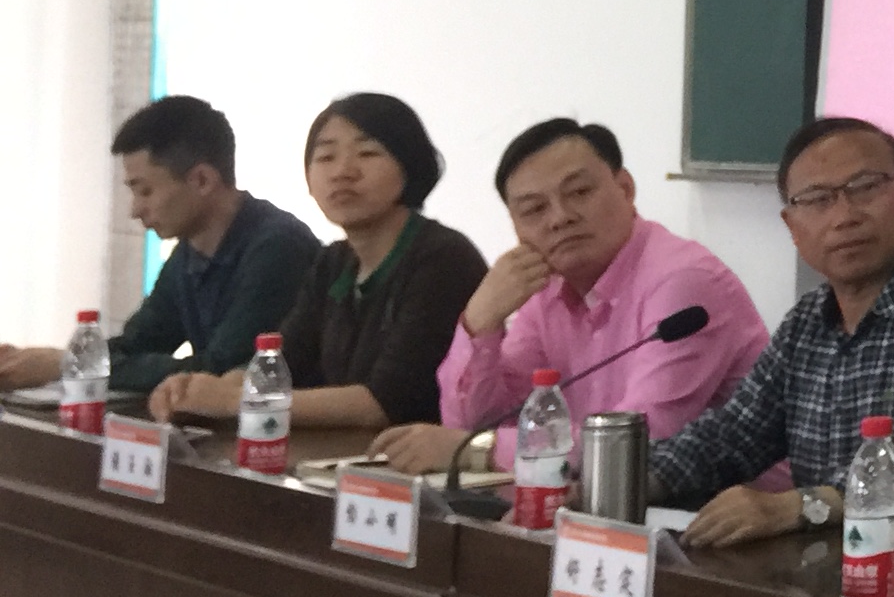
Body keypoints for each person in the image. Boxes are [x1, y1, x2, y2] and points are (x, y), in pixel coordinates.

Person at [648, 116, 894, 547]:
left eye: (865, 188)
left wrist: (797, 506)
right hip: (829, 563)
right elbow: (732, 437)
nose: (844, 216)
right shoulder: (806, 322)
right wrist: (634, 477)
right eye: (818, 199)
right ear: (792, 227)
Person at [368, 117, 770, 475]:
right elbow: (476, 421)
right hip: (599, 502)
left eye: (578, 192)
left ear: (625, 188)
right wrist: (480, 320)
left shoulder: (684, 282)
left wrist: (476, 450)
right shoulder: (547, 290)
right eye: (534, 209)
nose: (560, 218)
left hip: (730, 515)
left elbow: (641, 443)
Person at [149, 93, 486, 432]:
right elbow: (283, 362)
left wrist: (233, 400)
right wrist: (199, 389)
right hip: (345, 455)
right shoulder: (335, 261)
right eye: (326, 157)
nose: (343, 172)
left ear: (410, 168)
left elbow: (383, 404)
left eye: (368, 153)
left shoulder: (443, 259)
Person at [0, 97, 319, 400]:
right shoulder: (189, 253)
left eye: (146, 191)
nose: (135, 210)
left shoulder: (278, 248)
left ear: (202, 180)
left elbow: (219, 371)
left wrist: (71, 364)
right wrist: (42, 361)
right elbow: (137, 344)